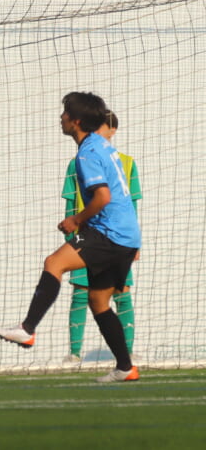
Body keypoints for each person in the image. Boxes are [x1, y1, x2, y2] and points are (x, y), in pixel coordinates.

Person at [0, 92, 141, 383]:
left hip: (108, 233)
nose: (61, 118)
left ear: (76, 121)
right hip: (127, 236)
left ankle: (27, 329)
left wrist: (76, 219)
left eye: (65, 113)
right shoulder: (102, 145)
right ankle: (126, 367)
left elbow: (103, 196)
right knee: (98, 301)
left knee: (54, 263)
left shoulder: (87, 154)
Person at [62, 110, 140, 364]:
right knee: (80, 292)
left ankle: (128, 351)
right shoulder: (78, 161)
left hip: (118, 238)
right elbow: (71, 201)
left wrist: (135, 241)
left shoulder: (126, 162)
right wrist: (70, 235)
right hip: (87, 237)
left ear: (113, 131)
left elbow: (132, 204)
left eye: (103, 127)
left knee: (121, 292)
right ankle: (74, 353)